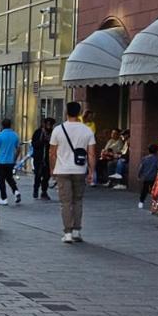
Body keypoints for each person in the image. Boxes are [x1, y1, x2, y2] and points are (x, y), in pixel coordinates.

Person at [49, 101, 96, 243]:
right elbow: (92, 154)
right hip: (80, 170)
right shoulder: (87, 130)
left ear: (66, 112)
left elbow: (52, 153)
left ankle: (67, 233)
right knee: (77, 201)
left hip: (62, 170)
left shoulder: (58, 130)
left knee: (65, 202)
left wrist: (52, 169)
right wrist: (91, 172)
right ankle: (76, 231)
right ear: (79, 112)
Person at [0, 118, 21, 204]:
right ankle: (16, 191)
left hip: (1, 161)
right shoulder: (15, 135)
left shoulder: (0, 135)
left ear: (2, 125)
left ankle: (4, 198)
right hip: (10, 161)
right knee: (9, 177)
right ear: (10, 125)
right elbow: (18, 149)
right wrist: (15, 158)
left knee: (1, 180)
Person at [31, 118, 54, 200]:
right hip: (38, 158)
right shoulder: (38, 132)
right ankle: (36, 190)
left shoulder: (53, 133)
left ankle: (44, 191)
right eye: (47, 124)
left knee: (46, 176)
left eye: (50, 124)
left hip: (48, 159)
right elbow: (34, 144)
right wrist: (42, 141)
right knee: (38, 174)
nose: (49, 126)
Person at [138, 143, 158, 210]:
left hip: (146, 177)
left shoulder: (144, 158)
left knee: (144, 190)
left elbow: (141, 167)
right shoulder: (156, 159)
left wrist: (139, 175)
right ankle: (155, 203)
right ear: (157, 151)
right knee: (155, 190)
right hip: (154, 177)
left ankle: (141, 202)